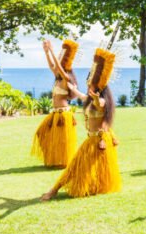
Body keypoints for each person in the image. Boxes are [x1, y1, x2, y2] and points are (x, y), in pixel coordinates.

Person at [41, 46, 121, 201]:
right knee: (84, 167)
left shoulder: (101, 101)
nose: (87, 83)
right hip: (94, 139)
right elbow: (79, 95)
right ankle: (61, 189)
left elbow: (100, 103)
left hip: (98, 141)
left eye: (90, 81)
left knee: (75, 165)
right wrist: (72, 88)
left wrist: (96, 98)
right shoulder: (88, 99)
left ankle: (53, 191)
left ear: (97, 86)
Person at [31, 40, 78, 168]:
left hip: (63, 113)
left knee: (62, 139)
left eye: (59, 62)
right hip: (55, 113)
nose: (56, 66)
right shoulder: (57, 78)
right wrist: (46, 52)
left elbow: (59, 67)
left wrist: (52, 50)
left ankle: (62, 162)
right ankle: (53, 158)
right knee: (41, 133)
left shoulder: (66, 78)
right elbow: (52, 65)